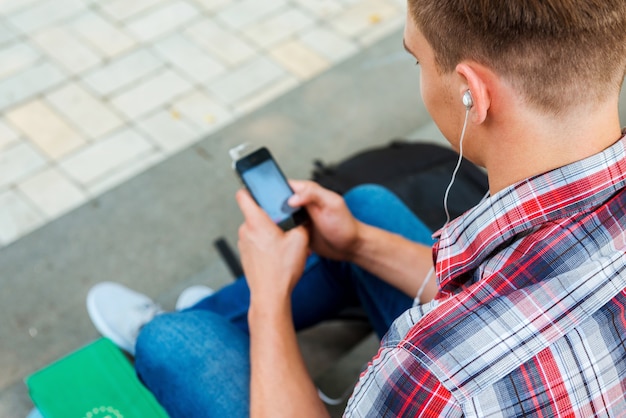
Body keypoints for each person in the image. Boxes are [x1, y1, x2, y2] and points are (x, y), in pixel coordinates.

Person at [87, 0, 626, 416]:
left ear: (471, 94)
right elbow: (528, 292)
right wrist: (358, 243)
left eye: (417, 59)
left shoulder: (433, 375)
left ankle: (187, 331)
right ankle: (228, 319)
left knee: (173, 343)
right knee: (364, 210)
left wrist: (269, 300)